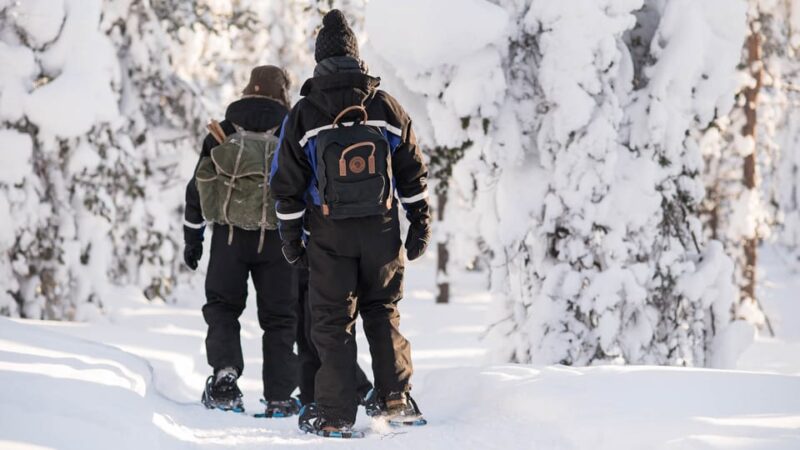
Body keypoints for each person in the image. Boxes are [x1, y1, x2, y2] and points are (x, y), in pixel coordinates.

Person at [270, 9, 431, 436]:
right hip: (381, 229)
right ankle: (396, 397)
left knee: (332, 322)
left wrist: (291, 240)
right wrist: (419, 223)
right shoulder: (384, 106)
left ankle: (336, 415)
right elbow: (412, 170)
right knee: (383, 310)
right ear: (356, 58)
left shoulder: (304, 114)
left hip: (328, 234)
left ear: (320, 62)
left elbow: (285, 185)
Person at [183, 65, 300, 418]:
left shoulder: (224, 129)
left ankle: (224, 379)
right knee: (280, 318)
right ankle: (280, 396)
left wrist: (193, 238)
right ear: (282, 93)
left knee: (222, 307)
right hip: (279, 239)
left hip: (228, 238)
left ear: (249, 89)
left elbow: (198, 188)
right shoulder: (290, 129)